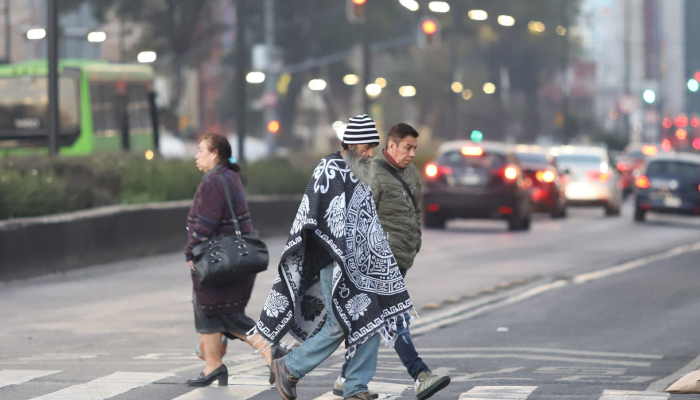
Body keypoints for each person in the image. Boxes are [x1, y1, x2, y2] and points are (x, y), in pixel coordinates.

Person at [248, 115, 417, 400]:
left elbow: (366, 222)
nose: (370, 152)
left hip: (361, 265)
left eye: (373, 146)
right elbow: (316, 216)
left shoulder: (361, 171)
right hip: (332, 261)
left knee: (370, 320)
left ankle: (356, 387)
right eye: (366, 146)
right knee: (339, 323)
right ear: (350, 143)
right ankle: (289, 367)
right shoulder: (329, 168)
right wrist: (341, 252)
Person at [333, 123, 450, 400]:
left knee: (373, 320)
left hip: (402, 256)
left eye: (415, 149)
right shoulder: (373, 173)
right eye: (407, 148)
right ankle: (421, 375)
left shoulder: (410, 172)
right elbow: (359, 218)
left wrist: (416, 241)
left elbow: (415, 211)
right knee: (395, 317)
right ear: (391, 146)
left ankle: (344, 378)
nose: (411, 154)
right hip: (380, 261)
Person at [184, 132, 275, 386]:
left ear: (215, 153)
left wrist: (191, 251)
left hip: (217, 260)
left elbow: (205, 224)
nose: (197, 154)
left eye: (201, 149)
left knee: (226, 315)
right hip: (233, 258)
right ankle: (213, 366)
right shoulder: (229, 176)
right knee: (210, 311)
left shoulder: (213, 182)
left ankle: (272, 352)